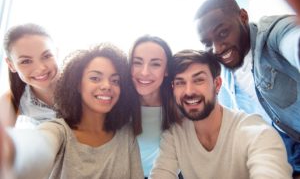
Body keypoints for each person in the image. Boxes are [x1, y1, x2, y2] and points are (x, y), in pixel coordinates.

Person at [194, 0, 300, 176]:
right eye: (207, 44)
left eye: (223, 33)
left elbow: (293, 40)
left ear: (243, 17)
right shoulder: (222, 77)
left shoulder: (272, 35)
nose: (217, 49)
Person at [2, 43, 143, 179]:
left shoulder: (126, 134)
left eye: (115, 81)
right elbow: (40, 145)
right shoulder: (58, 131)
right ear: (77, 84)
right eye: (95, 78)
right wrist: (12, 151)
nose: (107, 85)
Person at [149, 49, 292, 179]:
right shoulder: (174, 136)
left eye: (198, 80)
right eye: (180, 82)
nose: (189, 91)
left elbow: (270, 170)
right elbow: (161, 173)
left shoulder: (256, 132)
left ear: (217, 84)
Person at [129, 35, 179, 178]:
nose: (144, 72)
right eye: (137, 63)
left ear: (166, 70)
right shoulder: (117, 103)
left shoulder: (179, 106)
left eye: (155, 64)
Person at [0, 23, 59, 128]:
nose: (41, 68)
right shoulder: (9, 103)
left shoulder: (85, 85)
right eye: (26, 61)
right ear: (11, 65)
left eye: (46, 56)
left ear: (57, 53)